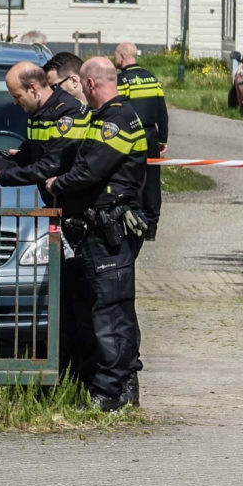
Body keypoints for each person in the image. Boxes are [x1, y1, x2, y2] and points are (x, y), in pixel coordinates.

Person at [0, 62, 91, 382]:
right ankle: (64, 374)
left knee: (77, 306)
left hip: (77, 219)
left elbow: (47, 167)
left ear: (34, 89)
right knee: (65, 306)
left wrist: (0, 175)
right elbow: (26, 156)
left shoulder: (67, 115)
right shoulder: (39, 114)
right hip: (60, 217)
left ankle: (76, 376)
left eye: (16, 95)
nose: (14, 103)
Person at [45, 56, 149, 411]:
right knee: (104, 313)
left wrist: (58, 181)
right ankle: (116, 390)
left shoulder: (116, 120)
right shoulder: (104, 117)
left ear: (89, 84)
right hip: (96, 231)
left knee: (110, 315)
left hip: (109, 232)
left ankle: (109, 394)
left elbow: (90, 170)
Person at [114, 42, 168, 240]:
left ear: (122, 56)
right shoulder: (152, 79)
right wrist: (163, 138)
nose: (115, 60)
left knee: (133, 179)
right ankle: (152, 227)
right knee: (153, 181)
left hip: (132, 136)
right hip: (152, 135)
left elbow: (119, 110)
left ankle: (136, 223)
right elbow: (162, 111)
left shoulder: (123, 80)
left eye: (115, 56)